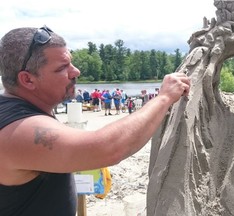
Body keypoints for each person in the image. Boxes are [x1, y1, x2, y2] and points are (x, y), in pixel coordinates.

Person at [0, 26, 190, 216]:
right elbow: (108, 148)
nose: (76, 72)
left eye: (71, 63)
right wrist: (164, 98)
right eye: (62, 68)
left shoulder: (20, 108)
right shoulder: (16, 130)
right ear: (28, 80)